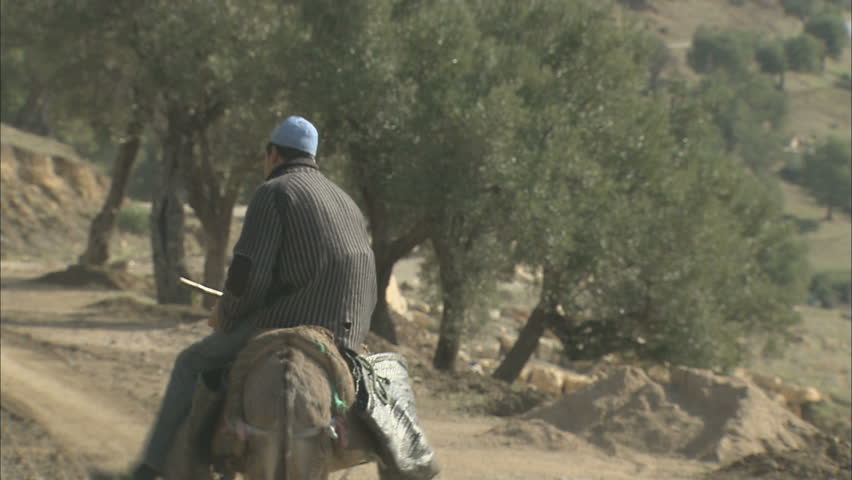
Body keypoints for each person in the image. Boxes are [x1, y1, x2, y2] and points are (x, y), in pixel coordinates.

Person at [128, 116, 377, 480]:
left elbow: (248, 276)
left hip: (291, 323)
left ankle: (153, 467)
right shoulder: (346, 201)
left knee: (191, 363)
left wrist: (225, 313)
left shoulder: (274, 192)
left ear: (272, 155)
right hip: (347, 336)